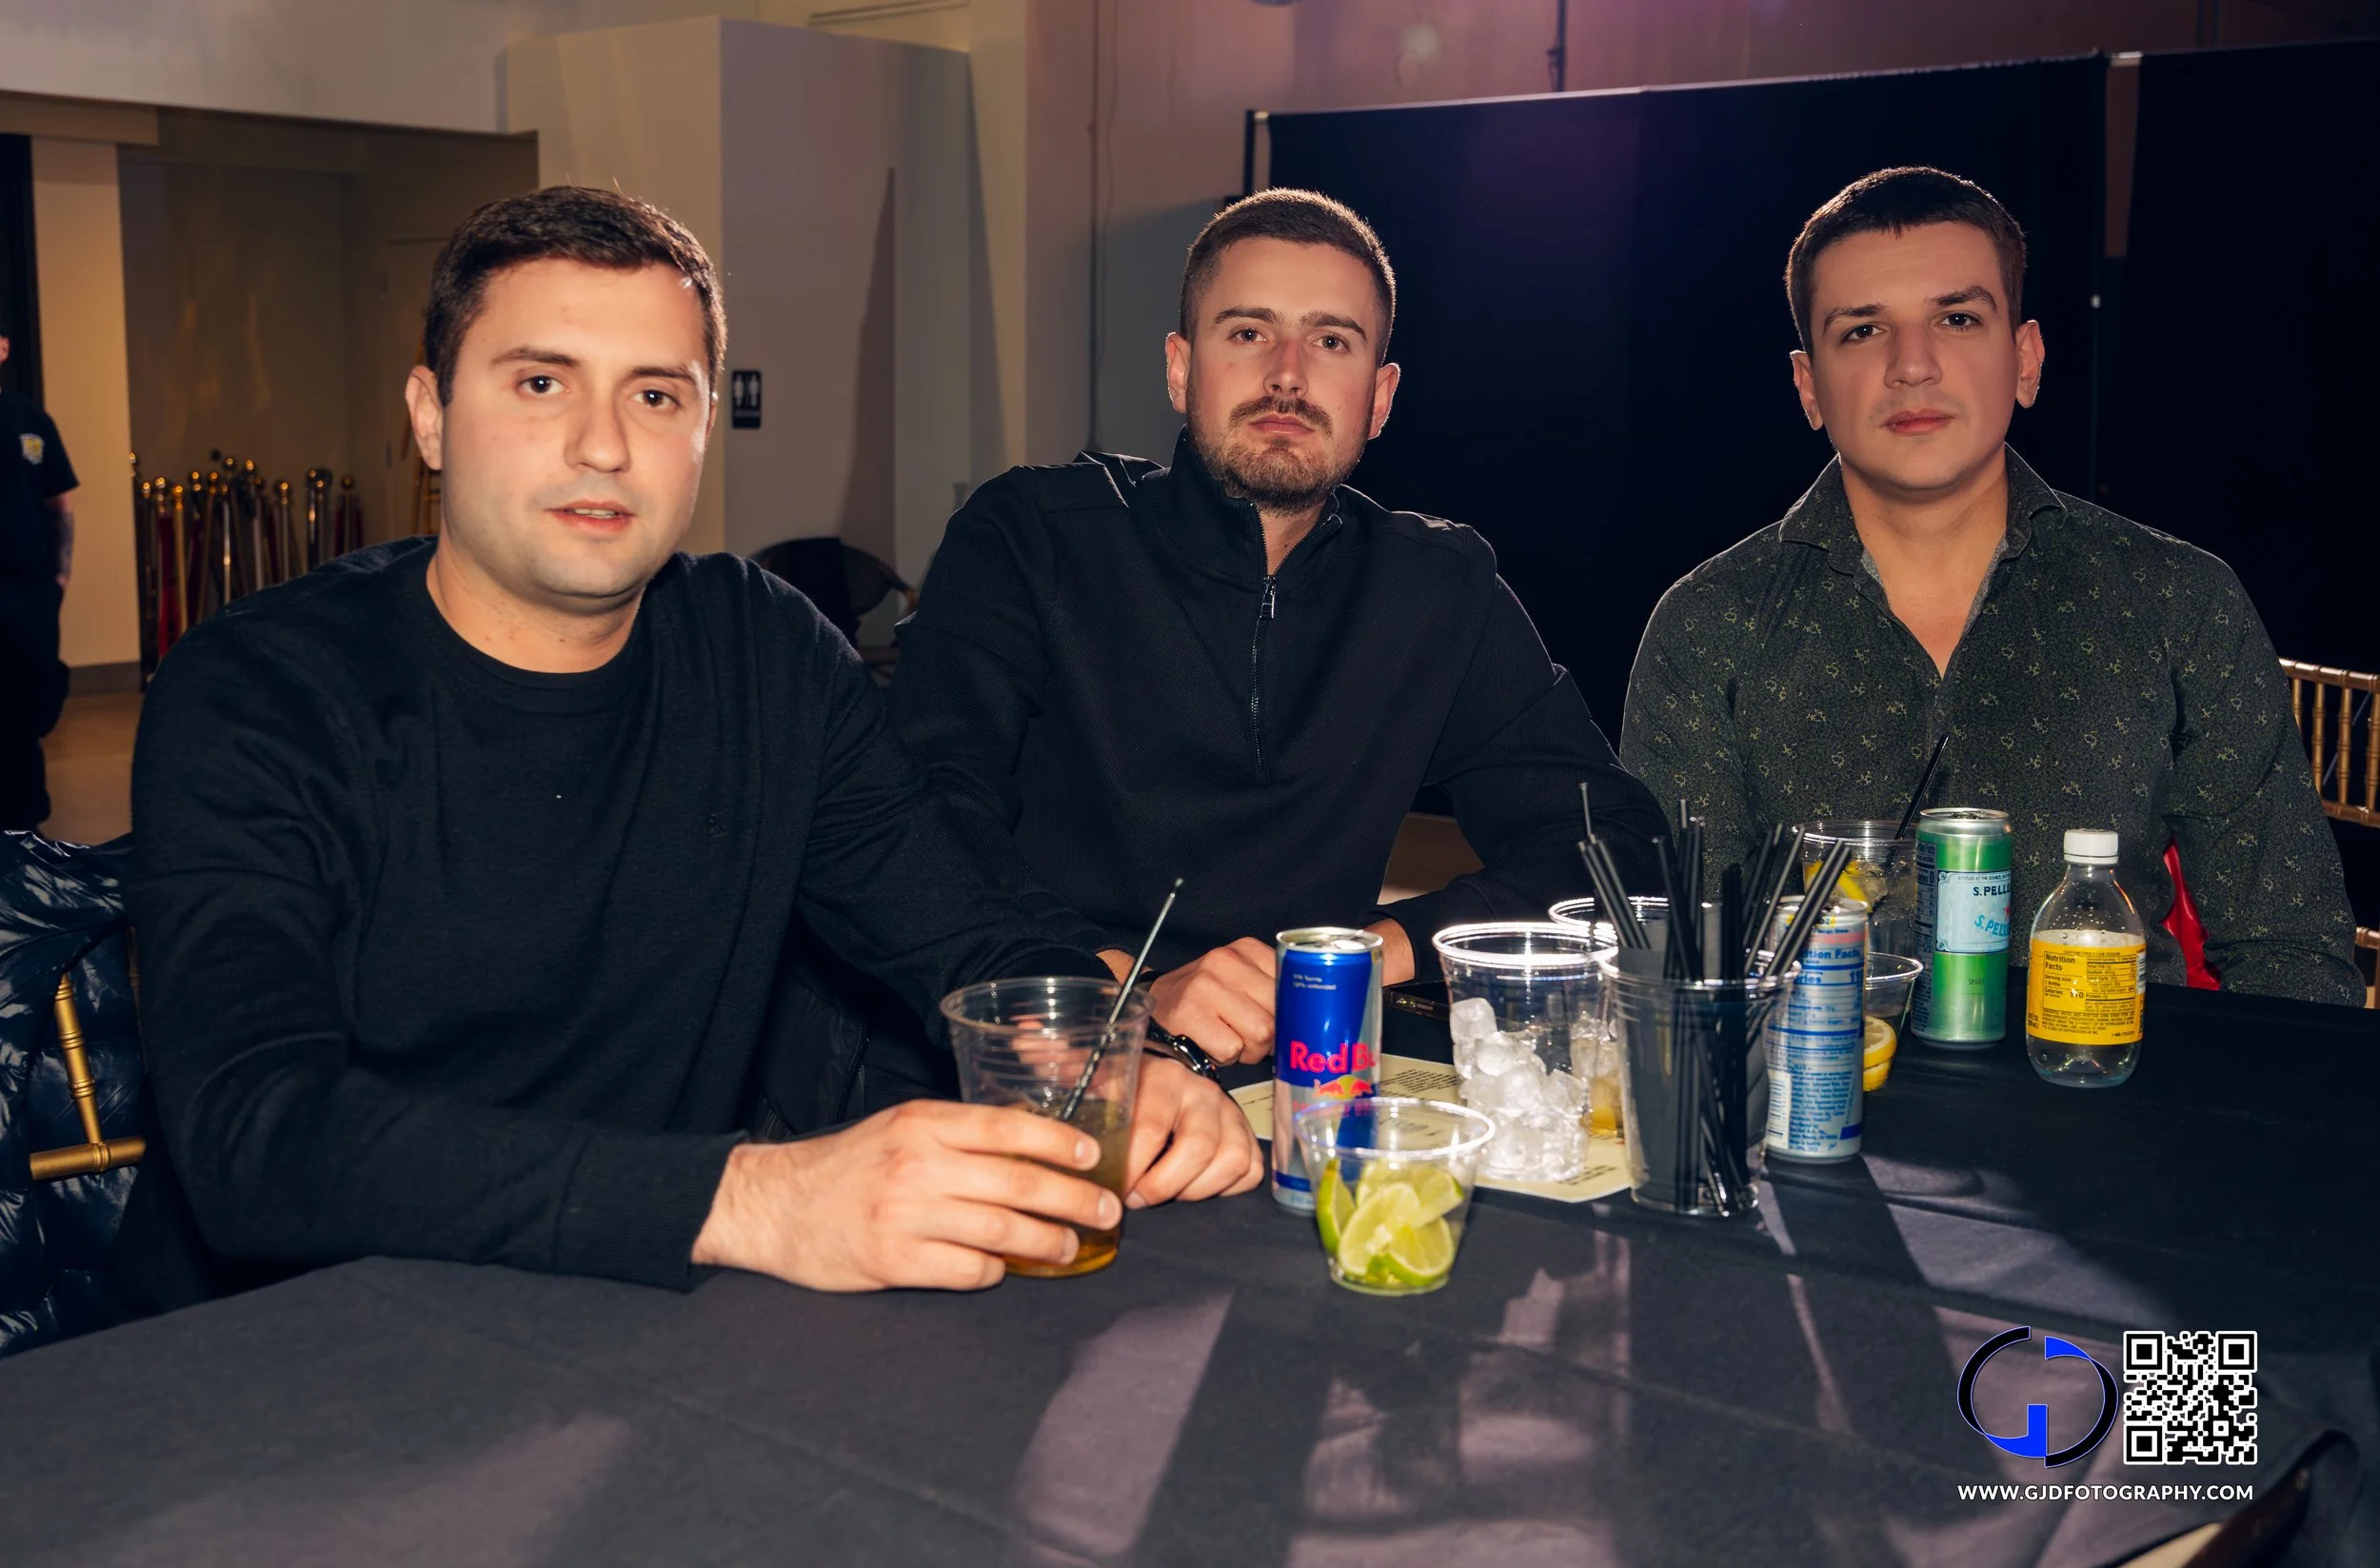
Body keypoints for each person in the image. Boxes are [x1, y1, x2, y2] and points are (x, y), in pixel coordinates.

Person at [113, 186, 1260, 1313]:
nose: (602, 444)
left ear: (705, 423)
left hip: (616, 1330)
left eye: (656, 394)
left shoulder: (759, 650)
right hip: (281, 1361)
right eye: (540, 381)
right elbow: (256, 1137)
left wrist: (1136, 1062)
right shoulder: (259, 688)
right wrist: (758, 1198)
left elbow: (963, 927)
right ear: (429, 412)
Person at [864, 187, 1665, 1081]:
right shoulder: (1033, 535)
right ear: (1179, 368)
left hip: (1295, 1078)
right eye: (1248, 332)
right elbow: (921, 818)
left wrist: (1370, 950)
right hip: (1043, 1056)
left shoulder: (1436, 587)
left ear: (1381, 396)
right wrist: (1126, 990)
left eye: (1331, 341)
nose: (1288, 373)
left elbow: (1618, 850)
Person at [1620, 167, 2358, 1002]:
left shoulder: (2177, 601)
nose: (1913, 365)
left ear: (2026, 359)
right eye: (1863, 331)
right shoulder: (1709, 626)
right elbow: (1675, 963)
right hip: (1808, 1111)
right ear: (1809, 387)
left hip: (2115, 1105)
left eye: (1958, 318)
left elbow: (2292, 952)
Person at [0, 324, 76, 831]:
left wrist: (61, 578)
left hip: (29, 591)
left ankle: (26, 829)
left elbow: (59, 503)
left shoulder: (31, 419)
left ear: (3, 348)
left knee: (28, 706)